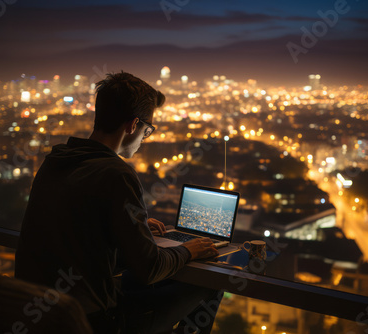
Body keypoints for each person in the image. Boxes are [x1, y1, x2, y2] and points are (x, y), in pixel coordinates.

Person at [15, 71, 222, 334]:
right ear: (133, 125)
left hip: (34, 311)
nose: (145, 140)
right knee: (211, 285)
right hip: (92, 321)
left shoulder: (55, 161)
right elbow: (150, 268)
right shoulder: (117, 173)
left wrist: (131, 226)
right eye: (148, 131)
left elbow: (77, 229)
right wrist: (189, 250)